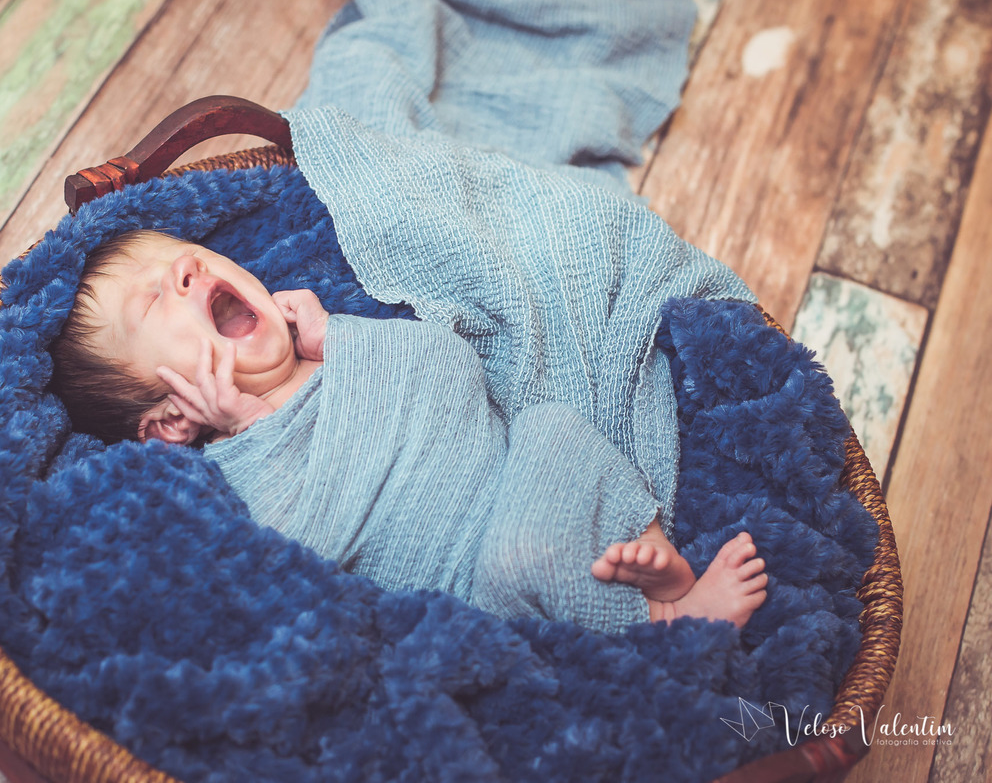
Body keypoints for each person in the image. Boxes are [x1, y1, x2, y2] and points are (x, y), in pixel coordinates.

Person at [50, 229, 768, 631]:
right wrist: (250, 425)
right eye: (155, 300)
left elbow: (450, 370)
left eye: (190, 259)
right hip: (473, 574)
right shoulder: (239, 467)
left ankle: (659, 559)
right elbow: (304, 550)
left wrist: (340, 338)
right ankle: (664, 625)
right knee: (517, 561)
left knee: (552, 423)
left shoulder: (339, 349)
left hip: (521, 477)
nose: (185, 270)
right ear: (173, 419)